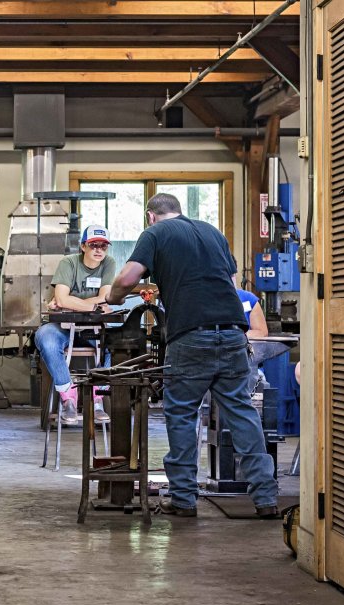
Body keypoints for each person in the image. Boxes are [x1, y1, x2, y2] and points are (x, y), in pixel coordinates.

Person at [107, 193, 280, 518]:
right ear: (180, 211)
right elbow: (228, 282)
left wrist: (112, 296)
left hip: (190, 335)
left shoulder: (155, 233)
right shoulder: (212, 232)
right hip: (232, 332)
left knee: (183, 414)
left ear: (151, 216)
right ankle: (266, 499)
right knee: (241, 413)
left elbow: (128, 279)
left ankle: (184, 499)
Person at [34, 224, 116, 425]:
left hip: (93, 329)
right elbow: (61, 300)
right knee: (45, 338)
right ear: (83, 246)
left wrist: (72, 303)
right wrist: (93, 303)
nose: (98, 250)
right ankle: (68, 396)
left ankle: (99, 395)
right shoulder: (68, 263)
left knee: (117, 343)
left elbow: (105, 300)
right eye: (93, 245)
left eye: (103, 246)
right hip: (63, 327)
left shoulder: (109, 263)